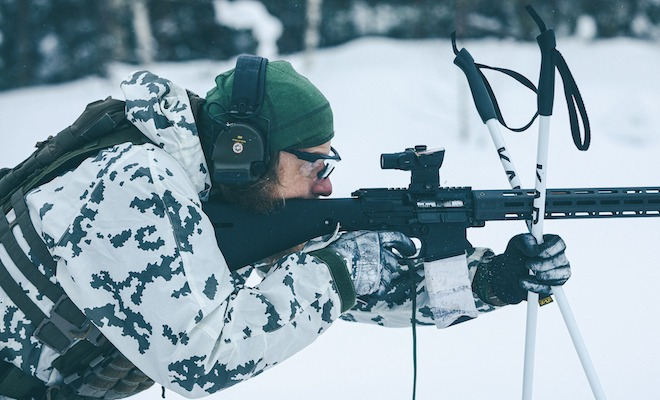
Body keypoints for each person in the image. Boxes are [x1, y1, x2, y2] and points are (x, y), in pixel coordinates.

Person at [0, 55, 570, 399]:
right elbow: (200, 357)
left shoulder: (223, 189)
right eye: (311, 164)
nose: (323, 186)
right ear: (243, 150)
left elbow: (348, 289)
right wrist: (344, 267)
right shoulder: (133, 183)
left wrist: (490, 282)